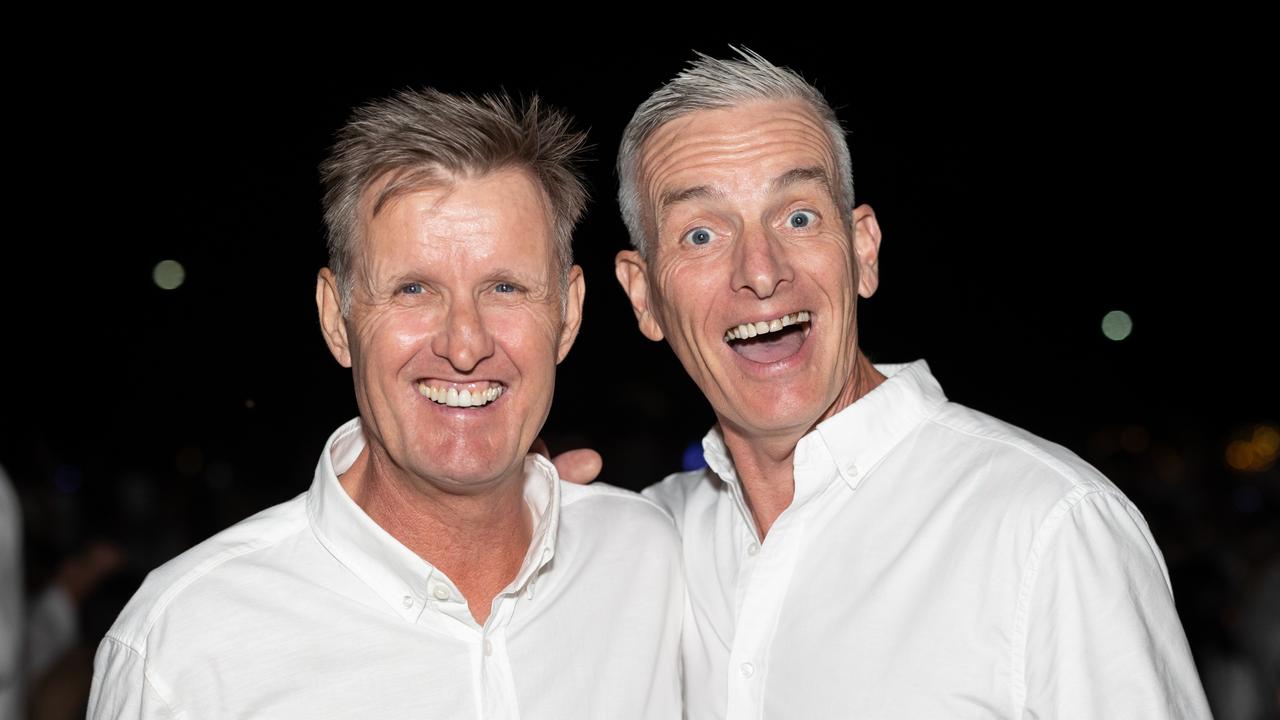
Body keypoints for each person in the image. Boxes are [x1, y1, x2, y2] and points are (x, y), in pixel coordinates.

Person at [607, 50, 1212, 718]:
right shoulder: (643, 543)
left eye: (799, 217)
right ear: (644, 296)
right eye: (700, 233)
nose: (760, 270)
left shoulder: (1047, 527)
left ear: (863, 250)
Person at [88, 89, 683, 719]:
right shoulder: (184, 645)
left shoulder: (650, 558)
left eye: (505, 287)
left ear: (568, 315)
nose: (464, 344)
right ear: (336, 318)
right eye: (413, 288)